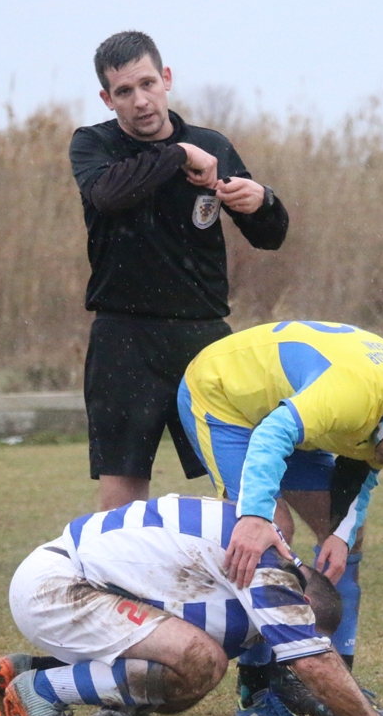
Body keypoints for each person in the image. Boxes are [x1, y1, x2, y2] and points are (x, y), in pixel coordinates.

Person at [177, 319, 383, 716]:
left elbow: (365, 465)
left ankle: (338, 687)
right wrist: (255, 517)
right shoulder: (354, 392)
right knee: (272, 530)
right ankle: (256, 692)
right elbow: (273, 433)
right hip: (226, 398)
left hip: (297, 412)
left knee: (350, 538)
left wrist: (340, 535)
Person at [0, 494, 383, 716]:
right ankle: (42, 690)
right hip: (59, 588)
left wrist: (381, 715)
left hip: (63, 580)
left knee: (187, 678)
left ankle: (36, 670)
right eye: (299, 626)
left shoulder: (271, 562)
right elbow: (313, 660)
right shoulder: (270, 570)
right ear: (300, 601)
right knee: (199, 661)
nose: (286, 646)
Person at [69, 30, 289, 514]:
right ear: (107, 99)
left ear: (166, 78)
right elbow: (109, 195)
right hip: (124, 337)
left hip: (203, 337)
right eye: (124, 91)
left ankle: (268, 566)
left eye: (147, 84)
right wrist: (180, 154)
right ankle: (121, 568)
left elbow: (269, 237)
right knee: (123, 495)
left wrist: (264, 202)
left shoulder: (213, 144)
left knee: (244, 483)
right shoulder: (94, 144)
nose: (140, 100)